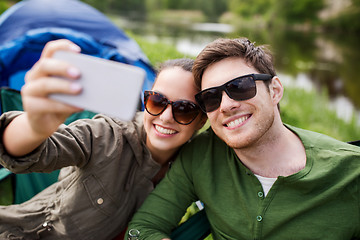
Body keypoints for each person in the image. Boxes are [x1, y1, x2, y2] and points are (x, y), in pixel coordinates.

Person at [126, 37, 360, 240]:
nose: (226, 105)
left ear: (275, 90)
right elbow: (143, 228)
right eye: (211, 97)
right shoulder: (202, 155)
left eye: (240, 87)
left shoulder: (352, 173)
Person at [0, 39, 207, 239]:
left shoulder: (194, 163)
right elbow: (31, 151)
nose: (166, 117)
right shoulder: (109, 136)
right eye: (157, 101)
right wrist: (34, 127)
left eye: (184, 110)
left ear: (201, 120)